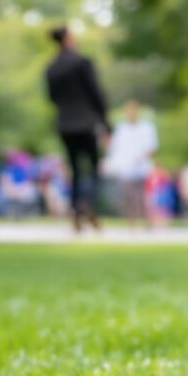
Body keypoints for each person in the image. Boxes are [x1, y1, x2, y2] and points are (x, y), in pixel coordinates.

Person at [44, 25, 111, 232]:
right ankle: (86, 203)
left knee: (74, 168)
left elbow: (52, 98)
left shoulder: (51, 67)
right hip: (86, 121)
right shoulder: (82, 62)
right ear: (68, 38)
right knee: (93, 166)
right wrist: (106, 124)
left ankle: (75, 212)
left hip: (65, 123)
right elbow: (95, 93)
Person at [107, 100, 158, 224]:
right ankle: (132, 222)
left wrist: (140, 157)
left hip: (142, 167)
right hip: (125, 168)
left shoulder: (146, 127)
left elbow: (152, 147)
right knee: (128, 196)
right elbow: (114, 147)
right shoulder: (121, 128)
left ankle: (147, 221)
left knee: (143, 196)